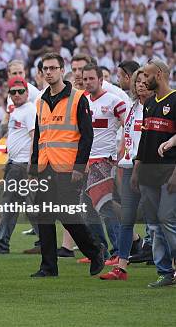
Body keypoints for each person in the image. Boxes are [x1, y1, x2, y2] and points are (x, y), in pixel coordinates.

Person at [29, 52, 104, 278]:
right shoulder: (41, 101)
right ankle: (48, 267)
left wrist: (79, 168)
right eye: (46, 69)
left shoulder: (77, 98)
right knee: (44, 217)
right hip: (45, 167)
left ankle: (94, 250)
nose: (49, 72)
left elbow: (87, 136)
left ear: (63, 70)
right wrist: (33, 169)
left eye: (53, 68)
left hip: (68, 168)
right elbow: (38, 138)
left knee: (67, 215)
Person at [100, 69, 152, 280]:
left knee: (161, 220)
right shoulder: (133, 108)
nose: (140, 85)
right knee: (126, 219)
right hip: (130, 166)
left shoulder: (158, 108)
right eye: (137, 81)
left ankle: (167, 266)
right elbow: (128, 139)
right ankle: (121, 266)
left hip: (150, 169)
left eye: (144, 81)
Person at [0, 76, 40, 255]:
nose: (17, 94)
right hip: (15, 162)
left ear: (27, 93)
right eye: (13, 92)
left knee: (12, 205)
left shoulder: (28, 110)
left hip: (21, 164)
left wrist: (31, 164)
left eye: (20, 91)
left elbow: (34, 137)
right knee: (25, 206)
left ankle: (1, 243)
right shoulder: (17, 110)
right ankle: (43, 242)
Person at [131, 59, 176, 288]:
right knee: (154, 225)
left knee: (167, 219)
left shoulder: (175, 100)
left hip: (169, 173)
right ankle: (164, 271)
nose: (142, 80)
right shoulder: (149, 104)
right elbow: (144, 141)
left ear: (158, 74)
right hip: (148, 173)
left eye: (146, 76)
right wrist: (137, 170)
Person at [80, 64, 127, 263]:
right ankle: (100, 251)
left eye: (92, 78)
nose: (88, 82)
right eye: (85, 79)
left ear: (101, 80)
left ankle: (118, 251)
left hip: (104, 160)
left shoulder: (114, 102)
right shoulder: (82, 102)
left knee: (104, 205)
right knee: (87, 208)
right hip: (86, 161)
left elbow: (129, 126)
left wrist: (122, 149)